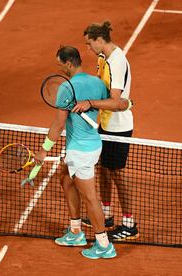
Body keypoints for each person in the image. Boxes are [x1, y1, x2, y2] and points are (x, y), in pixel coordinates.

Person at [33, 46, 117, 259]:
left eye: (60, 64)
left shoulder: (66, 88)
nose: (59, 68)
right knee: (65, 179)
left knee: (91, 199)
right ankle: (75, 231)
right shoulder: (97, 84)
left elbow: (59, 125)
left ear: (69, 64)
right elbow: (107, 104)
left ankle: (104, 244)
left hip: (80, 151)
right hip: (92, 144)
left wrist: (43, 151)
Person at [72, 21, 139, 241]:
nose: (88, 49)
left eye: (89, 44)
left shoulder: (117, 62)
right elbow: (102, 88)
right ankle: (106, 215)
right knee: (104, 169)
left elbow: (115, 100)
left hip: (119, 128)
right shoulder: (103, 59)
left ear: (100, 40)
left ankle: (129, 224)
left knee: (118, 173)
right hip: (106, 125)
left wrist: (90, 103)